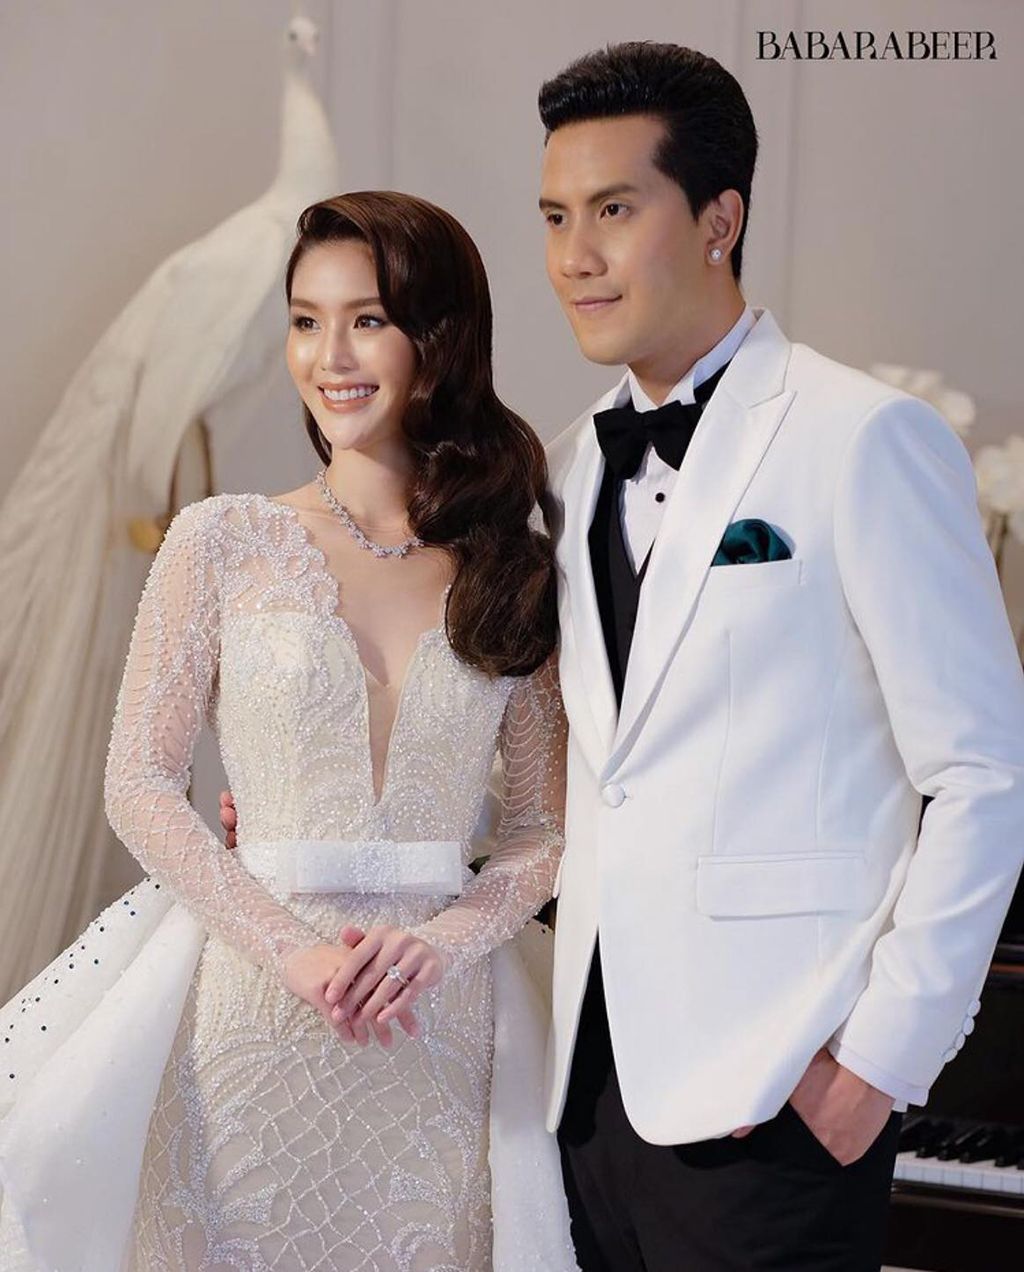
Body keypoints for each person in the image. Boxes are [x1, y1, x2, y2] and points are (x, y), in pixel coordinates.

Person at [0, 191, 579, 1271]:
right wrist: (292, 953)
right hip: (250, 1012)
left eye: (367, 320)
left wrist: (445, 943)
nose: (328, 356)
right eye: (306, 321)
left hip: (439, 1029)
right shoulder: (221, 540)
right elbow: (139, 783)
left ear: (439, 338)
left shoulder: (512, 564)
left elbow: (544, 829)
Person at [534, 41, 1024, 1272]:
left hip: (779, 1105)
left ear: (720, 219)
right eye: (553, 217)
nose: (574, 256)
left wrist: (876, 1067)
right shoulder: (567, 463)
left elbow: (984, 773)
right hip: (588, 1102)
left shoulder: (863, 437)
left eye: (612, 210)